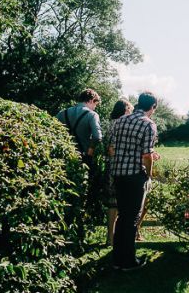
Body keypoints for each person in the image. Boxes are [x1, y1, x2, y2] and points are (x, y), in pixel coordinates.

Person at [109, 91, 159, 271]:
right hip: (135, 174)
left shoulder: (120, 121)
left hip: (118, 173)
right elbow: (147, 155)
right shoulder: (149, 124)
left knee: (123, 216)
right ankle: (129, 261)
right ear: (153, 107)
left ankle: (117, 259)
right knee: (132, 218)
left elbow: (112, 147)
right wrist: (149, 174)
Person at [56, 88, 103, 218]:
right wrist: (90, 151)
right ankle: (78, 219)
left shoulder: (62, 113)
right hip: (82, 158)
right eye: (95, 104)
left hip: (63, 157)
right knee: (80, 190)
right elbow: (98, 137)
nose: (95, 107)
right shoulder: (92, 115)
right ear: (91, 100)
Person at [104, 99, 133, 246]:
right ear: (125, 109)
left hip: (111, 166)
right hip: (118, 167)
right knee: (118, 203)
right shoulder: (120, 124)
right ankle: (113, 237)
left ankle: (111, 237)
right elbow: (111, 149)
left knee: (113, 203)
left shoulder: (111, 124)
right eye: (130, 110)